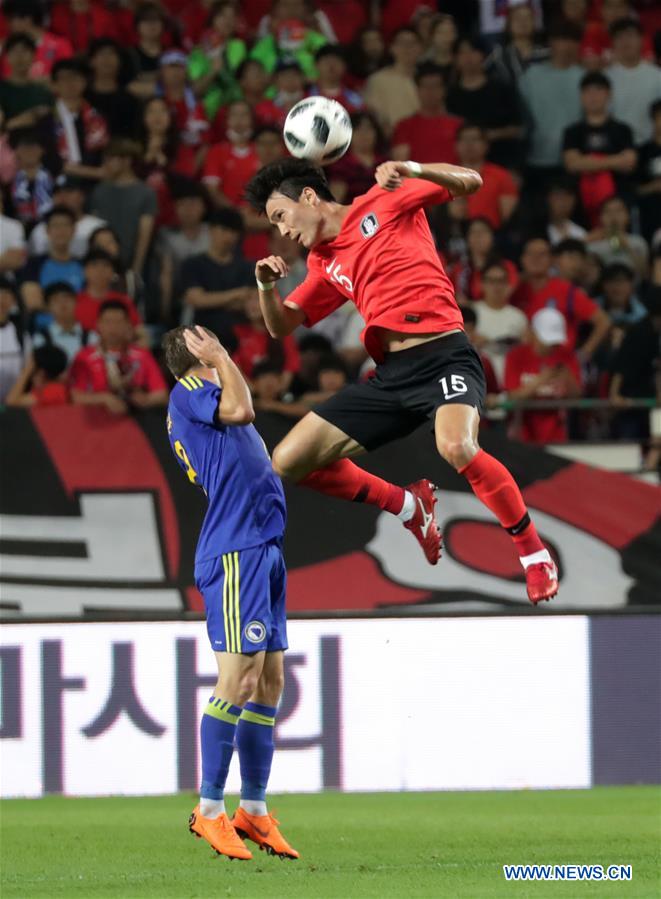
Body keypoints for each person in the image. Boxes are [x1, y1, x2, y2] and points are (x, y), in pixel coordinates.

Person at [245, 157, 559, 603]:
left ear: (310, 197)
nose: (282, 231)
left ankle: (533, 554)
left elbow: (471, 182)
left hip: (445, 357)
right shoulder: (323, 261)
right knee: (289, 460)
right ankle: (408, 506)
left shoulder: (386, 199)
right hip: (392, 377)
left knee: (456, 446)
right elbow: (282, 325)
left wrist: (414, 169)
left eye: (281, 215)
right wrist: (264, 287)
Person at [162, 323, 299, 861]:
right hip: (234, 549)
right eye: (208, 343)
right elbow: (243, 411)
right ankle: (210, 809)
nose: (219, 347)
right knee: (238, 677)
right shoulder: (190, 391)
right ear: (193, 355)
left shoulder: (211, 397)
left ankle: (255, 810)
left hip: (263, 546)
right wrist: (220, 357)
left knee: (269, 680)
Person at [511, 236, 611, 360]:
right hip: (523, 364)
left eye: (542, 254)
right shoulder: (514, 291)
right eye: (530, 254)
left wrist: (583, 354)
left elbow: (603, 321)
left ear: (552, 260)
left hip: (559, 366)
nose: (535, 259)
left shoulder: (567, 290)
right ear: (522, 259)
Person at [563, 72, 636, 227]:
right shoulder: (573, 132)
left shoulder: (622, 130)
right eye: (588, 91)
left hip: (618, 205)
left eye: (598, 90)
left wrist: (589, 161)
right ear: (581, 96)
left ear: (609, 94)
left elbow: (629, 163)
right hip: (583, 206)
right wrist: (614, 160)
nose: (593, 96)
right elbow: (572, 165)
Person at [70, 300, 167, 413]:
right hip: (94, 421)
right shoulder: (84, 356)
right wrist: (104, 398)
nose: (113, 327)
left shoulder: (142, 355)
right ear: (98, 324)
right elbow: (76, 397)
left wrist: (146, 399)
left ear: (128, 325)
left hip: (136, 422)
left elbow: (162, 394)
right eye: (108, 322)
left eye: (118, 322)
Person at [518, 24, 584, 188]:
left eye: (571, 40)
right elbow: (521, 118)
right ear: (551, 43)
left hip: (576, 158)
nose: (566, 45)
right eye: (561, 39)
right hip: (537, 157)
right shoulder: (531, 76)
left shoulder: (585, 78)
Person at [504, 307, 582, 444]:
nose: (550, 345)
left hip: (557, 434)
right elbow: (513, 396)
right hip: (523, 434)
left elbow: (577, 396)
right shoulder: (516, 356)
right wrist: (541, 380)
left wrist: (568, 378)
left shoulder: (567, 357)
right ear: (533, 333)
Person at [446, 35, 524, 170]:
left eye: (473, 51)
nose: (468, 57)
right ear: (455, 59)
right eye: (462, 53)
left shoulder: (502, 88)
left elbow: (518, 128)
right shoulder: (450, 94)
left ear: (483, 55)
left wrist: (489, 135)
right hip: (462, 165)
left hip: (502, 159)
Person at [180, 208, 254, 343]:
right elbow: (196, 300)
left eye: (233, 232)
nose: (229, 237)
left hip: (240, 341)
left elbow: (250, 303)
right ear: (211, 230)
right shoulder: (193, 264)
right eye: (224, 230)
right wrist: (236, 294)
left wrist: (211, 300)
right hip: (202, 337)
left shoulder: (248, 267)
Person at [90, 139, 158, 276]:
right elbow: (95, 229)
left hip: (132, 263)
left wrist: (136, 269)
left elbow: (144, 235)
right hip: (104, 266)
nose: (105, 165)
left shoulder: (145, 193)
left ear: (126, 161)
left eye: (110, 160)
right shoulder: (99, 190)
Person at [50, 57, 109, 182]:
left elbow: (102, 153)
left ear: (84, 82)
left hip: (93, 185)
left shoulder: (96, 117)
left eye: (75, 77)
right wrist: (95, 173)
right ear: (54, 85)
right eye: (64, 78)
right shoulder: (47, 119)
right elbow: (51, 162)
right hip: (56, 185)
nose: (70, 83)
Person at [391, 64, 463, 166]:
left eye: (435, 86)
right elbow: (400, 164)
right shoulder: (404, 126)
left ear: (444, 90)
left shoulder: (458, 125)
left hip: (452, 180)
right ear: (417, 90)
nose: (430, 91)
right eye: (425, 86)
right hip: (417, 180)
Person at [187, 1, 247, 121]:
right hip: (208, 113)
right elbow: (195, 90)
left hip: (235, 111)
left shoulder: (239, 47)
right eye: (222, 16)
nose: (227, 21)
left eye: (232, 17)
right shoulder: (198, 52)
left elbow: (241, 81)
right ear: (212, 19)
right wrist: (213, 72)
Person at [606, 18, 661, 147]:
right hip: (615, 148)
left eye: (630, 36)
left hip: (651, 146)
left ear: (642, 40)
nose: (625, 42)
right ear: (613, 43)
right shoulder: (605, 78)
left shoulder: (657, 76)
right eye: (619, 37)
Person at [472, 261, 528, 386]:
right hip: (478, 382)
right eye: (491, 281)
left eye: (501, 281)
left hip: (510, 383)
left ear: (508, 284)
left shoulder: (518, 317)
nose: (496, 286)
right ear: (482, 284)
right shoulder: (472, 313)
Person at [19, 205, 84, 311]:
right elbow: (32, 303)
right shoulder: (33, 265)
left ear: (74, 230)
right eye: (56, 226)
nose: (61, 231)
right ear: (48, 231)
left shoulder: (83, 265)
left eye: (65, 225)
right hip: (43, 326)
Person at [454, 125, 519, 229]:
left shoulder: (501, 176)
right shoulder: (445, 175)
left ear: (486, 145)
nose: (469, 144)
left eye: (475, 139)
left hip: (493, 236)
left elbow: (508, 216)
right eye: (464, 139)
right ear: (456, 145)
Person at [233, 290, 300, 390]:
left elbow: (291, 364)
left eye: (257, 299)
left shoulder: (282, 332)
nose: (252, 304)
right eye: (249, 299)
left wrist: (278, 389)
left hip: (277, 394)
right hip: (246, 393)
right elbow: (233, 365)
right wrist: (253, 390)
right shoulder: (237, 332)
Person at [28, 174, 105, 258]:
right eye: (57, 192)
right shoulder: (39, 230)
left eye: (69, 191)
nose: (62, 197)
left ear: (82, 196)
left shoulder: (98, 227)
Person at [363, 26, 422, 135]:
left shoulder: (428, 79)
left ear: (420, 48)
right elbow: (375, 116)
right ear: (392, 48)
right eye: (402, 43)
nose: (407, 48)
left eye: (412, 44)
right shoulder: (378, 80)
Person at [75, 249, 143, 337]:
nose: (100, 270)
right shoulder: (75, 302)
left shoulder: (123, 301)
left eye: (105, 265)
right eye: (94, 265)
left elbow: (140, 333)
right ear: (84, 271)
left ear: (113, 272)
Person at [85, 37, 140, 139]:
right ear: (91, 61)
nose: (107, 59)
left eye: (112, 54)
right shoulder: (83, 98)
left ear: (119, 61)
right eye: (102, 54)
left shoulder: (130, 100)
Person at [327, 111, 386, 203]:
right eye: (358, 129)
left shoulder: (385, 163)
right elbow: (335, 200)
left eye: (368, 128)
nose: (364, 134)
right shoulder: (341, 166)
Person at [487, 2, 549, 86]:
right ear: (509, 24)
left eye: (528, 18)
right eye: (517, 18)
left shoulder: (547, 53)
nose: (523, 22)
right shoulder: (498, 55)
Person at [587, 195, 649, 279]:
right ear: (600, 217)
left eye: (618, 211)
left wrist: (628, 247)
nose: (613, 216)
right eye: (608, 211)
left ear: (628, 216)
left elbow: (645, 276)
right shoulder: (592, 245)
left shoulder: (638, 242)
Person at [0, 33, 53, 131]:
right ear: (6, 57)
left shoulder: (44, 92)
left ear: (34, 56)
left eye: (24, 51)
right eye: (14, 51)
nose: (19, 57)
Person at [33, 281, 94, 362]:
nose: (63, 304)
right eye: (56, 300)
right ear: (48, 307)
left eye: (67, 299)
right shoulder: (41, 339)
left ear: (76, 303)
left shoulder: (92, 337)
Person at [8, 128, 53, 229]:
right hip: (18, 227)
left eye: (33, 148)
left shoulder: (53, 178)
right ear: (16, 151)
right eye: (25, 148)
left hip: (48, 227)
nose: (29, 152)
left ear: (42, 150)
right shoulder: (10, 181)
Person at [5, 343, 70, 407]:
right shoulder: (61, 388)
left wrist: (26, 371)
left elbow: (11, 402)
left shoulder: (52, 392)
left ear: (41, 372)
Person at [308, 44, 364, 114]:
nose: (331, 67)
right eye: (327, 62)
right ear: (316, 65)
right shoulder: (306, 98)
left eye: (336, 62)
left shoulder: (355, 101)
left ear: (345, 67)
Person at [636, 100, 661, 243]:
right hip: (650, 216)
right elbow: (633, 190)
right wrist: (654, 187)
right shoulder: (642, 152)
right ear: (653, 119)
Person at [544, 179, 587, 245]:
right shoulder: (537, 229)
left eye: (568, 196)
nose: (563, 201)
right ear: (548, 198)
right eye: (558, 196)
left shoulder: (580, 231)